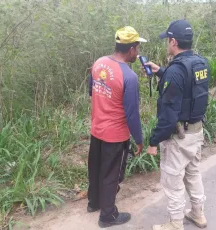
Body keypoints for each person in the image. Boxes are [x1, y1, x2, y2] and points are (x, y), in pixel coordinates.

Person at [145, 19, 210, 230]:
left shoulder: (176, 70)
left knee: (172, 181)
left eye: (167, 40)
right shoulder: (200, 63)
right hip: (196, 131)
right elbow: (188, 89)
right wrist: (160, 71)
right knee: (192, 173)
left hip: (178, 138)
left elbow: (168, 116)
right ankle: (198, 214)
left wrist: (154, 141)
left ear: (173, 41)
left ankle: (175, 224)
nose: (167, 44)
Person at [87, 26, 145, 228]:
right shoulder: (129, 77)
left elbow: (91, 92)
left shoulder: (99, 63)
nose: (138, 53)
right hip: (116, 135)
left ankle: (94, 202)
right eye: (137, 48)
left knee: (95, 168)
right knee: (111, 174)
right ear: (131, 49)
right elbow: (131, 114)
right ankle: (108, 216)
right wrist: (139, 139)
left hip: (97, 129)